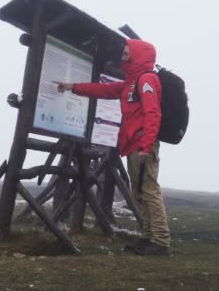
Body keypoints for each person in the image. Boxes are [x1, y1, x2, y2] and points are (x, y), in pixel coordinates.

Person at [55, 39, 170, 255]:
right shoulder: (130, 83)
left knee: (149, 191)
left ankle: (161, 241)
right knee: (139, 193)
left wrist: (146, 147)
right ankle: (148, 238)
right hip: (134, 146)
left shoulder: (146, 80)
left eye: (127, 53)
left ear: (137, 55)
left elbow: (153, 113)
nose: (123, 57)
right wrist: (73, 87)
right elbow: (103, 90)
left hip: (142, 146)